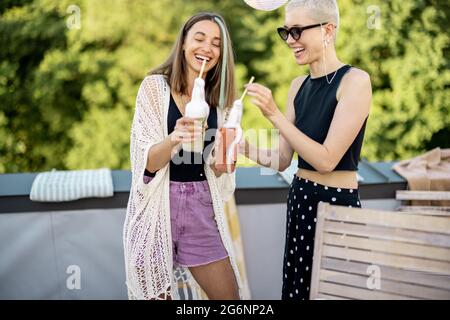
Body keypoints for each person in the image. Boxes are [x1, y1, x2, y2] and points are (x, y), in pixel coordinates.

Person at [240, 0, 372, 300]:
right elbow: (283, 159)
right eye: (285, 31)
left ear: (328, 31)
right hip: (300, 201)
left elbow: (326, 160)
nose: (289, 40)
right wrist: (240, 145)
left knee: (337, 293)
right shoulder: (298, 86)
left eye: (297, 31)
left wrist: (274, 115)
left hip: (337, 207)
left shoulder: (355, 81)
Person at [123, 12, 242, 300]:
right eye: (199, 39)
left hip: (200, 209)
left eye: (216, 43)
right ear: (184, 44)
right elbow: (146, 163)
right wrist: (175, 138)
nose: (207, 48)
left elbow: (216, 170)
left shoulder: (221, 101)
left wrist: (223, 164)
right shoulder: (154, 88)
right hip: (154, 210)